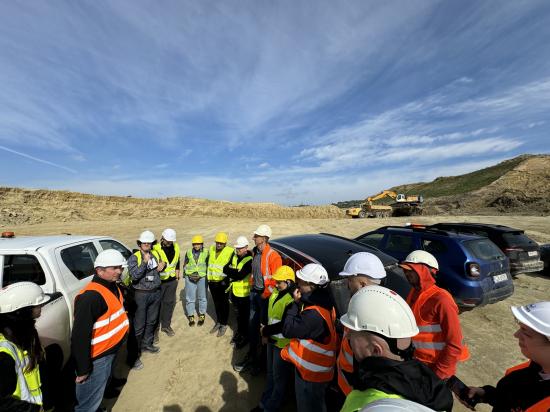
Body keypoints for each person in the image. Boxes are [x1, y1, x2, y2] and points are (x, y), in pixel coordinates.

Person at [339, 285, 453, 412]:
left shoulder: (367, 404)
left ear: (376, 350)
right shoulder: (425, 382)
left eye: (353, 332)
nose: (348, 335)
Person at [71, 249, 130, 412]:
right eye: (115, 268)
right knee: (88, 403)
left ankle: (108, 388)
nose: (119, 271)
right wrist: (83, 369)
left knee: (104, 382)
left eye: (121, 267)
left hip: (111, 349)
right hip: (98, 357)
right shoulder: (90, 297)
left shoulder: (112, 286)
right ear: (99, 270)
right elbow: (79, 336)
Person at [464, 301, 550, 411]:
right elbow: (511, 399)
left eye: (526, 332)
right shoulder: (530, 369)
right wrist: (486, 394)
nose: (516, 335)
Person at [399, 250, 469, 380]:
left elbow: (454, 344)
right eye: (405, 270)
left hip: (435, 368)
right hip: (417, 363)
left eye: (411, 270)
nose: (407, 273)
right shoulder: (414, 292)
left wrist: (439, 375)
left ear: (424, 271)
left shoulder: (442, 299)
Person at [281, 263, 338, 412]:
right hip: (320, 373)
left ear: (311, 286)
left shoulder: (313, 314)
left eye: (301, 281)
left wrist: (294, 304)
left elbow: (288, 329)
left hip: (310, 376)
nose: (298, 284)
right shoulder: (326, 303)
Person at [337, 252, 387, 396]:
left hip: (356, 393)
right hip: (348, 387)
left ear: (362, 284)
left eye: (349, 280)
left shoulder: (372, 314)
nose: (347, 285)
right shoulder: (362, 305)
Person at [235, 224, 282, 374]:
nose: (253, 238)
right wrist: (252, 288)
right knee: (253, 327)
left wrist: (264, 294)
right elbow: (254, 274)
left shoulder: (273, 256)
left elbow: (275, 280)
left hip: (264, 297)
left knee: (262, 331)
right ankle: (253, 357)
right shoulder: (255, 252)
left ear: (264, 239)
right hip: (254, 294)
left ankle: (259, 363)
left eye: (256, 236)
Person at [252, 265, 297, 412]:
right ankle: (265, 402)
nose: (276, 284)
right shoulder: (276, 292)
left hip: (282, 345)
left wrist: (265, 331)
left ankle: (270, 407)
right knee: (271, 374)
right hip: (271, 340)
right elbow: (267, 311)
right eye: (276, 281)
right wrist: (265, 332)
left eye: (279, 282)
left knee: (279, 378)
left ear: (289, 282)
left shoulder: (292, 300)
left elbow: (284, 325)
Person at [0, 282, 50, 409]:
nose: (42, 305)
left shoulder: (26, 331)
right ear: (23, 311)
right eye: (38, 304)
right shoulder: (4, 353)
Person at [127, 230, 165, 369]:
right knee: (138, 326)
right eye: (144, 243)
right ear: (139, 244)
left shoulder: (156, 254)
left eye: (149, 243)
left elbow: (158, 268)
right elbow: (135, 276)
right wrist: (144, 262)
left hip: (155, 292)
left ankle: (147, 344)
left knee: (151, 321)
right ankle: (134, 356)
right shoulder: (134, 257)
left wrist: (163, 265)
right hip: (141, 294)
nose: (147, 245)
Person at [224, 236, 253, 347]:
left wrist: (233, 271)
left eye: (240, 248)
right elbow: (224, 268)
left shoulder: (249, 260)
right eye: (237, 248)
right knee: (238, 316)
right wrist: (234, 272)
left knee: (244, 317)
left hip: (244, 295)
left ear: (246, 247)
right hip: (235, 292)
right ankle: (239, 333)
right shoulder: (235, 257)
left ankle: (244, 337)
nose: (238, 250)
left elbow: (240, 275)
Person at [152, 228, 180, 337]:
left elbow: (177, 259)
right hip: (160, 282)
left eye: (171, 241)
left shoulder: (176, 246)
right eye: (167, 240)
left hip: (172, 281)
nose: (169, 242)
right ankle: (154, 331)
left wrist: (177, 271)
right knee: (157, 306)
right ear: (162, 238)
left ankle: (166, 326)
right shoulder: (155, 249)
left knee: (168, 304)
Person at [207, 232, 234, 337]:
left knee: (224, 304)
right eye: (217, 243)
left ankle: (224, 324)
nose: (218, 245)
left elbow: (232, 266)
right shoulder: (211, 249)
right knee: (216, 303)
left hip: (223, 283)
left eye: (221, 243)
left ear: (225, 243)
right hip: (212, 282)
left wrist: (227, 279)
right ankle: (218, 322)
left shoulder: (230, 251)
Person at [183, 235, 208, 327]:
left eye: (198, 244)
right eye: (194, 244)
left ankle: (202, 314)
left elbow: (208, 264)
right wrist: (185, 275)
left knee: (202, 297)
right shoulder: (188, 252)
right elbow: (185, 263)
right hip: (190, 277)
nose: (196, 246)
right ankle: (191, 315)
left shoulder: (206, 252)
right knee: (190, 298)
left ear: (202, 244)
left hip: (202, 277)